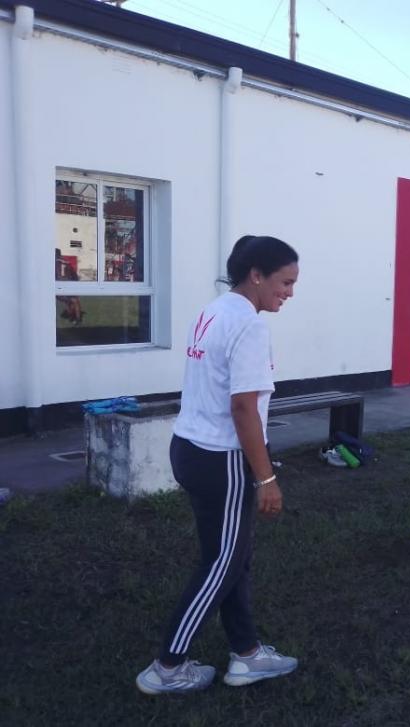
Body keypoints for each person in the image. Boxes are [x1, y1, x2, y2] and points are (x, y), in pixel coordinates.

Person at [136, 235, 300, 695]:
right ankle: (167, 667)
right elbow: (244, 408)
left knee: (232, 557)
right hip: (220, 459)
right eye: (285, 282)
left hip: (190, 447)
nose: (289, 292)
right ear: (257, 275)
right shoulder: (249, 325)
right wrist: (266, 477)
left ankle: (246, 654)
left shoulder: (213, 310)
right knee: (222, 564)